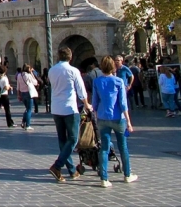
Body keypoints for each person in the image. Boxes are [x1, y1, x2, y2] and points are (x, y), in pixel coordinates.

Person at [48, 47, 93, 182]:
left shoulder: (52, 70)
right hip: (70, 109)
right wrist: (86, 104)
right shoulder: (73, 71)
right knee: (73, 139)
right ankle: (57, 165)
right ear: (70, 57)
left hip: (56, 108)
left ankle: (72, 170)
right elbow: (81, 90)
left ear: (58, 56)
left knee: (62, 140)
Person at [92, 55, 137, 187]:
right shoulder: (118, 81)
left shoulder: (97, 81)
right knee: (123, 147)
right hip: (118, 118)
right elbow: (123, 104)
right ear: (113, 67)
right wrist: (129, 122)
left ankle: (104, 178)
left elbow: (94, 102)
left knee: (104, 149)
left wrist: (96, 116)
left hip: (102, 117)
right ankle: (127, 174)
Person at [17, 64, 39, 130]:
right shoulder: (28, 75)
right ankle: (28, 125)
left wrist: (18, 94)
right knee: (29, 110)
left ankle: (23, 121)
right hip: (29, 93)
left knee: (27, 109)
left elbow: (18, 86)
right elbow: (35, 82)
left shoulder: (19, 75)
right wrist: (32, 73)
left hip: (23, 93)